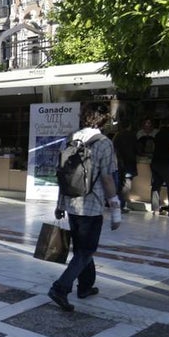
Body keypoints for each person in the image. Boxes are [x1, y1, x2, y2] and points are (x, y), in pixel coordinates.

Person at [48, 108, 121, 312]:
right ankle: (60, 288)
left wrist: (59, 204)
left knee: (82, 249)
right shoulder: (104, 143)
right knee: (87, 250)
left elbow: (62, 174)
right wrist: (116, 209)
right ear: (103, 121)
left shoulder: (70, 139)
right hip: (91, 205)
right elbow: (107, 178)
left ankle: (85, 287)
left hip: (71, 203)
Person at [149, 121, 169, 216]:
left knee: (156, 186)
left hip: (155, 162)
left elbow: (153, 147)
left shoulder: (158, 134)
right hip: (167, 164)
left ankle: (155, 208)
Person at [111, 120, 139, 213]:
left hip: (118, 162)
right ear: (129, 126)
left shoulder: (117, 136)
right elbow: (137, 149)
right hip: (129, 163)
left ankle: (118, 205)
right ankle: (121, 205)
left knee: (119, 184)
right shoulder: (132, 136)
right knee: (126, 185)